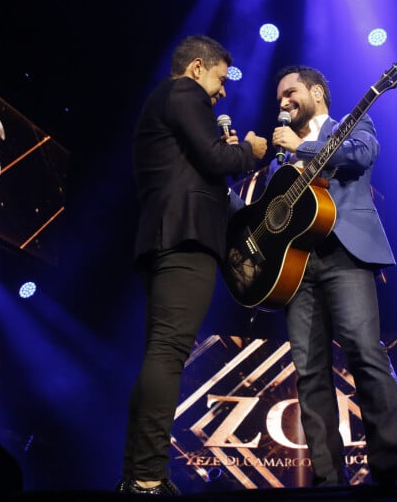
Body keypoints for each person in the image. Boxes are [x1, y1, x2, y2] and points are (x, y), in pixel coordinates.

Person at [116, 35, 267, 496]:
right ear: (197, 67)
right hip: (184, 237)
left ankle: (141, 473)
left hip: (166, 237)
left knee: (161, 352)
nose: (222, 91)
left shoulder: (166, 102)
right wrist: (252, 152)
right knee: (168, 353)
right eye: (220, 79)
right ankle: (145, 477)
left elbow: (201, 164)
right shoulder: (183, 92)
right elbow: (215, 157)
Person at [268, 65, 397, 486]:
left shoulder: (352, 122)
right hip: (296, 266)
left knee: (364, 352)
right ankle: (329, 482)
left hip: (345, 254)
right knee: (309, 372)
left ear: (316, 91)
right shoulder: (283, 153)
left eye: (290, 92)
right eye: (279, 97)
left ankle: (390, 474)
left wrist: (304, 148)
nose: (283, 102)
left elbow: (360, 156)